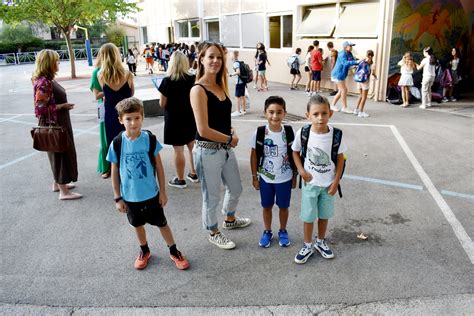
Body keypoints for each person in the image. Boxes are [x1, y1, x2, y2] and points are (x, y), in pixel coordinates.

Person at [107, 97, 189, 271]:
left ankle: (174, 250)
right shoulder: (117, 143)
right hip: (130, 196)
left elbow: (158, 166)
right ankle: (144, 250)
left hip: (151, 193)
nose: (133, 122)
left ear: (142, 118)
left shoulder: (149, 139)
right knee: (137, 224)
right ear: (121, 120)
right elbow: (114, 172)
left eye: (137, 118)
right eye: (128, 119)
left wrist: (163, 192)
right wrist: (117, 197)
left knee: (162, 223)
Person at [190, 41, 251, 250]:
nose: (215, 61)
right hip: (207, 151)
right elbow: (203, 129)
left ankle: (230, 219)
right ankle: (213, 231)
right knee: (211, 196)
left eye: (219, 57)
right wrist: (228, 139)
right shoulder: (198, 89)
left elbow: (222, 119)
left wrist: (230, 131)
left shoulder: (221, 84)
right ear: (201, 59)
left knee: (236, 188)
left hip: (225, 149)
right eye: (211, 57)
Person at [292, 94, 347, 264]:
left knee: (324, 215)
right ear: (308, 114)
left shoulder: (336, 135)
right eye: (315, 114)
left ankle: (320, 242)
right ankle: (307, 245)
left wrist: (336, 181)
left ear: (330, 113)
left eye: (324, 113)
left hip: (328, 185)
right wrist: (301, 171)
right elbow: (295, 151)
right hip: (311, 184)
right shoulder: (303, 133)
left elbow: (340, 158)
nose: (320, 118)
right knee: (308, 217)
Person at [32, 49, 82, 200]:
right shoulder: (44, 83)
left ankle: (58, 183)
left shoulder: (47, 79)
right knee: (59, 153)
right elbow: (40, 108)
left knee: (59, 152)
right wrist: (62, 106)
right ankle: (64, 192)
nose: (58, 63)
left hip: (59, 121)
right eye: (56, 60)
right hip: (54, 123)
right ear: (49, 63)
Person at [250, 96, 296, 248]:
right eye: (271, 112)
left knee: (283, 207)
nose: (275, 116)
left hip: (285, 178)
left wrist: (295, 175)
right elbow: (254, 156)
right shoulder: (260, 132)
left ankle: (283, 230)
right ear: (265, 113)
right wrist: (254, 177)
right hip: (265, 179)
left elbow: (295, 154)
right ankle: (267, 231)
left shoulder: (289, 132)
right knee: (267, 206)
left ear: (284, 113)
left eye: (279, 112)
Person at [157, 51, 199, 189]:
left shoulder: (167, 81)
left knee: (178, 149)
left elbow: (162, 104)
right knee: (192, 146)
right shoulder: (192, 79)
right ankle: (194, 173)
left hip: (174, 118)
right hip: (190, 116)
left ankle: (180, 179)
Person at [98, 43, 134, 154]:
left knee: (113, 143)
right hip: (127, 113)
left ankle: (114, 169)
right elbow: (131, 93)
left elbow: (106, 94)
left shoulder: (101, 76)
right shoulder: (128, 74)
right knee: (130, 141)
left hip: (111, 114)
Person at [89, 51, 110, 179]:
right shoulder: (97, 72)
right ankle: (106, 167)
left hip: (118, 106)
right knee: (105, 137)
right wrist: (111, 91)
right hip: (104, 107)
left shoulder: (118, 70)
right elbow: (96, 94)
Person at [331, 41, 359, 113]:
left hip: (342, 74)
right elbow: (345, 63)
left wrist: (358, 62)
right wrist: (356, 62)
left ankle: (332, 105)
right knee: (344, 90)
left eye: (352, 46)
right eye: (350, 46)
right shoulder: (342, 53)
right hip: (338, 74)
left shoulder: (349, 53)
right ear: (345, 47)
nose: (351, 47)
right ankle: (344, 107)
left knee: (341, 91)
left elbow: (352, 61)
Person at [354, 50, 377, 118]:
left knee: (360, 95)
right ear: (372, 56)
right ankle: (361, 112)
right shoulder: (372, 64)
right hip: (365, 81)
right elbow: (372, 73)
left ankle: (356, 110)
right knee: (364, 97)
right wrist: (375, 76)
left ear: (366, 54)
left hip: (359, 80)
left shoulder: (362, 61)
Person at [230, 50, 247, 116]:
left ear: (233, 56)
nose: (230, 56)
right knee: (243, 96)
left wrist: (231, 74)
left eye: (231, 55)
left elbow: (238, 72)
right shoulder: (239, 62)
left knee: (237, 96)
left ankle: (238, 111)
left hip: (239, 82)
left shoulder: (235, 63)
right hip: (242, 81)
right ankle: (243, 110)